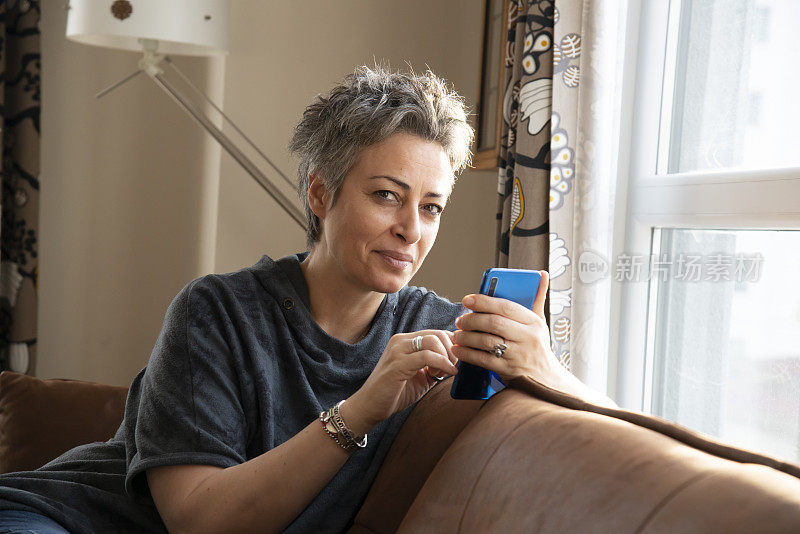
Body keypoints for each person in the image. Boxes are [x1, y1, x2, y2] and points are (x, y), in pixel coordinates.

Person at [0, 65, 610, 533]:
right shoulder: (214, 312)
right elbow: (197, 520)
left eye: (431, 207)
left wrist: (547, 371)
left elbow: (615, 430)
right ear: (320, 194)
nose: (411, 230)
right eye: (386, 196)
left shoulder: (441, 332)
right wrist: (363, 408)